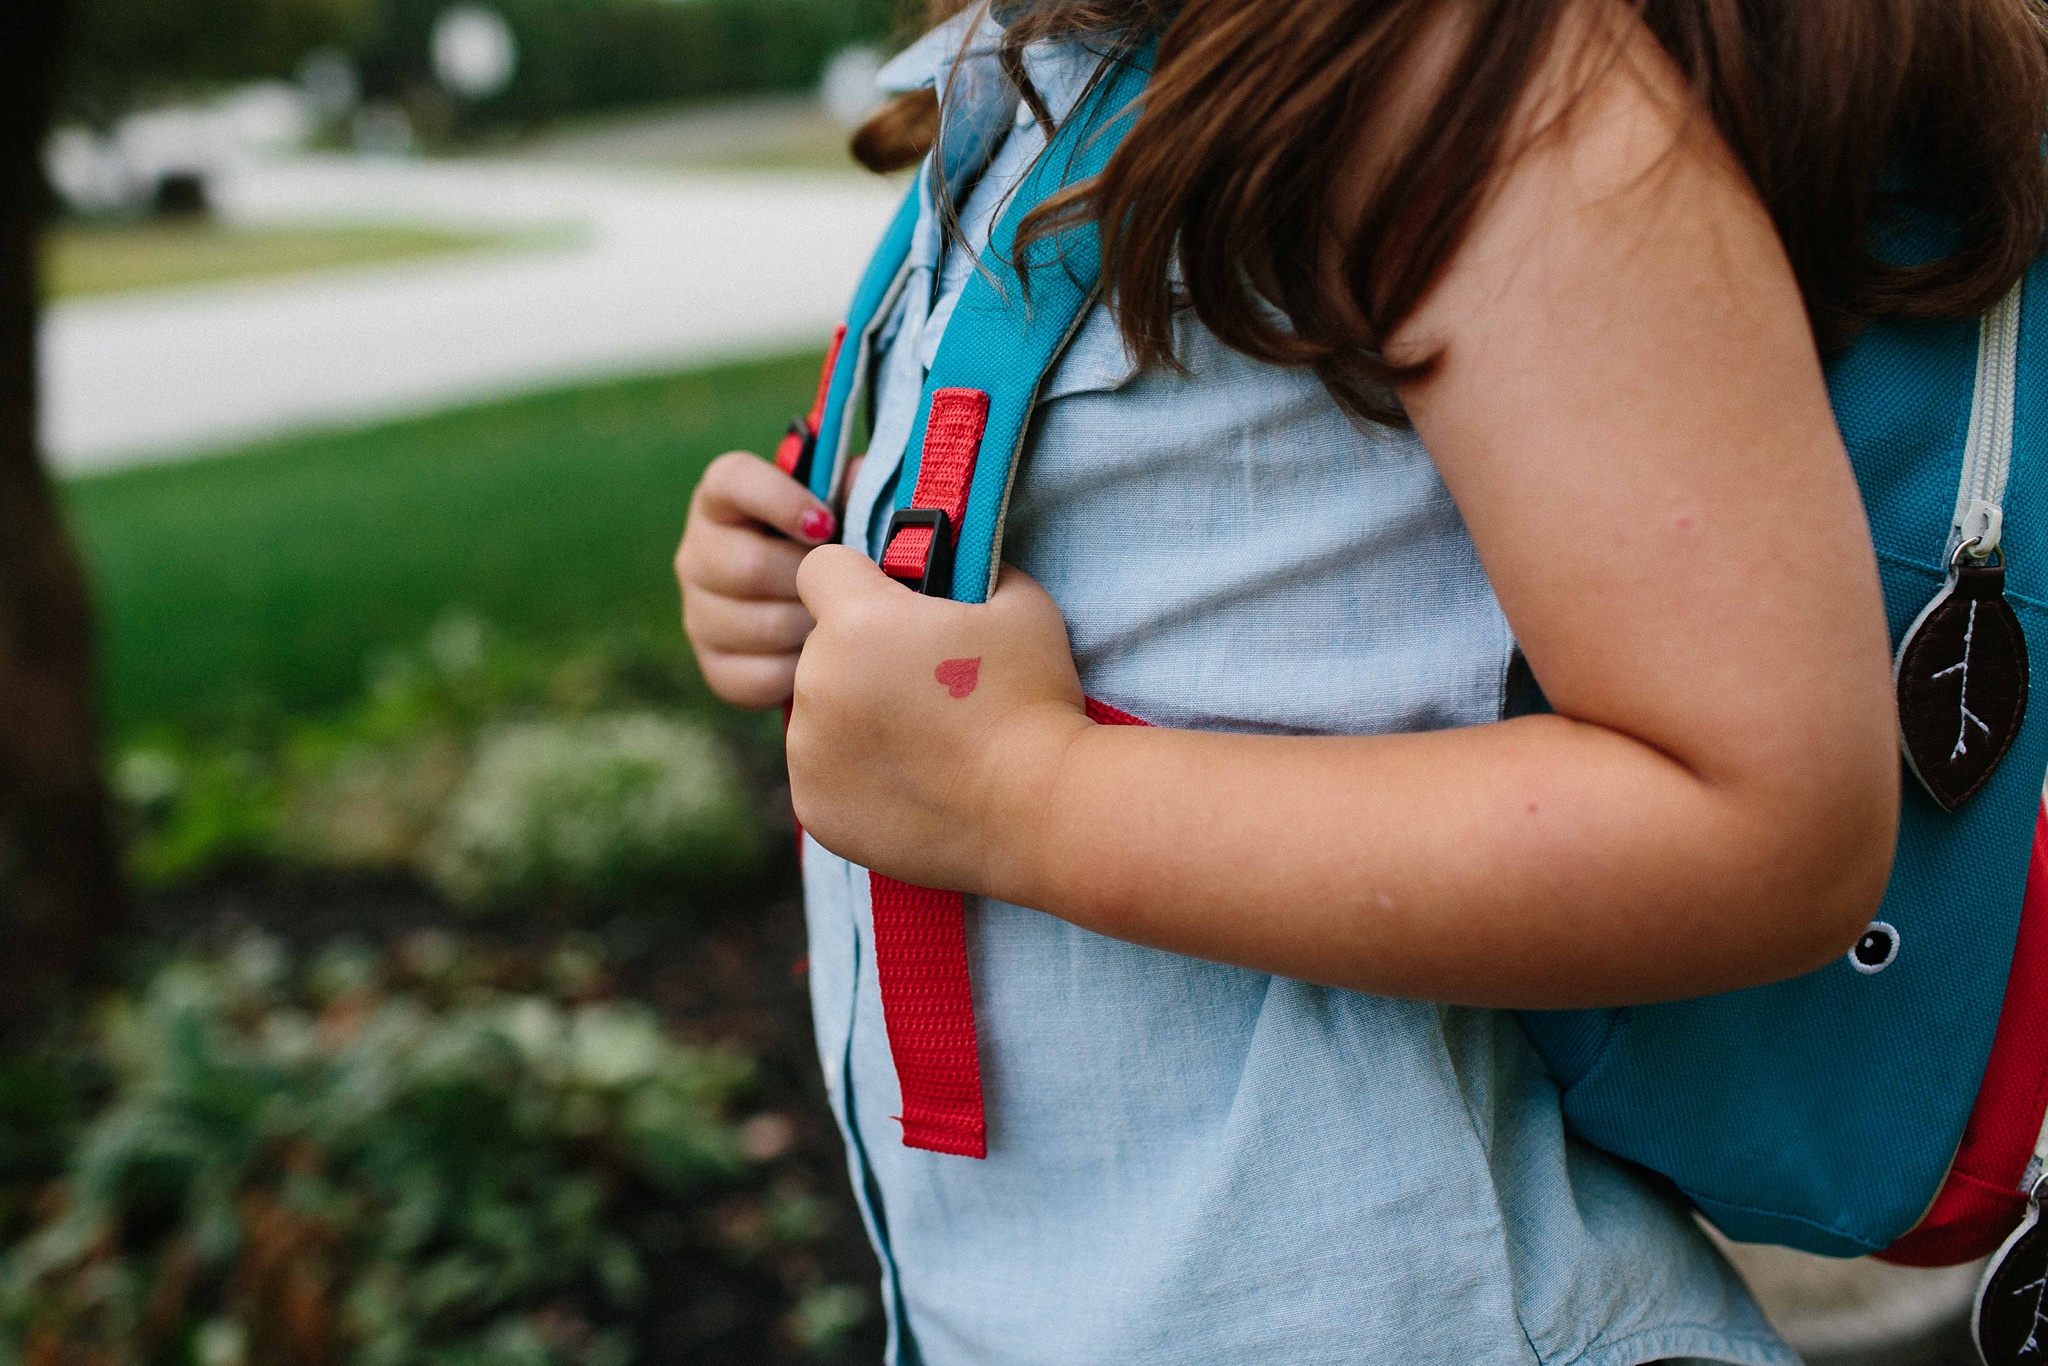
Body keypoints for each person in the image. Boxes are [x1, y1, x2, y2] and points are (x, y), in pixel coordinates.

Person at [674, 0, 2048, 1360]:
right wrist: (821, 570)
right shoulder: (1047, 53)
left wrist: (1025, 791)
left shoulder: (1460, 65)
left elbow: (1768, 827)